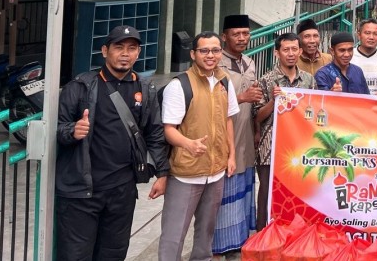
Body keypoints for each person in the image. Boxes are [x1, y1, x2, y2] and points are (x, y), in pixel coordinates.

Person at [55, 25, 169, 261]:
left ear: (138, 53)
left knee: (113, 254)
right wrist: (72, 131)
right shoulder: (81, 86)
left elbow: (154, 132)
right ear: (105, 51)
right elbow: (57, 126)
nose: (125, 54)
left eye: (132, 48)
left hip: (122, 191)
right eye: (119, 47)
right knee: (75, 255)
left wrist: (162, 172)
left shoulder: (145, 89)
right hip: (81, 192)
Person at [159, 32, 239, 261]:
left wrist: (231, 155)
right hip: (186, 173)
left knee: (206, 236)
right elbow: (169, 129)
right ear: (193, 54)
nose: (210, 55)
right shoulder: (180, 85)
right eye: (204, 51)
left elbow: (228, 120)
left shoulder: (224, 81)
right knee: (173, 238)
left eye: (215, 50)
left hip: (215, 173)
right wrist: (188, 144)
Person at [254, 32, 315, 230]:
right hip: (269, 147)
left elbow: (312, 112)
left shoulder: (308, 80)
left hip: (298, 147)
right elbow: (257, 117)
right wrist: (273, 101)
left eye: (294, 49)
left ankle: (294, 232)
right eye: (286, 49)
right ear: (276, 53)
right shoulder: (265, 80)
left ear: (300, 51)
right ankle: (264, 233)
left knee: (297, 191)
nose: (291, 54)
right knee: (267, 191)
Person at [214, 14, 263, 256]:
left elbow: (253, 104)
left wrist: (256, 131)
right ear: (225, 37)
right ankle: (219, 246)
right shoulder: (215, 65)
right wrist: (242, 98)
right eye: (236, 34)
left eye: (245, 33)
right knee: (223, 194)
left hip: (245, 138)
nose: (242, 38)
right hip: (223, 138)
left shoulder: (250, 63)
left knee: (243, 191)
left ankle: (239, 241)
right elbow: (209, 103)